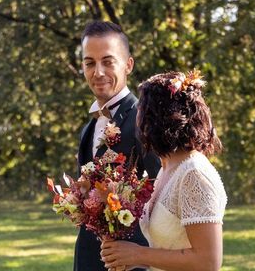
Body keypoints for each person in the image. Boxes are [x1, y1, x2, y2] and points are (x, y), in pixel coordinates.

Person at [101, 70, 227, 271]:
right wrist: (127, 258)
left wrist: (137, 253)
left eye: (141, 109)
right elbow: (171, 247)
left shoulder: (194, 174)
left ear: (157, 118)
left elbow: (208, 262)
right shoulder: (166, 169)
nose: (137, 117)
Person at [74, 21, 161, 271]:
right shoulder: (88, 128)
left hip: (132, 262)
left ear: (128, 65)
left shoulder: (144, 120)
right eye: (89, 62)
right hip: (88, 259)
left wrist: (141, 254)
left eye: (108, 61)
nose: (98, 72)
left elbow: (164, 193)